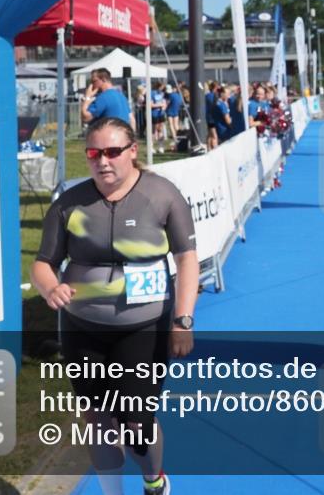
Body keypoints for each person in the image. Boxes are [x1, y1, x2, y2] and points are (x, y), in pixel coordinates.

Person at [31, 117, 200, 495]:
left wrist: (183, 320)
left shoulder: (162, 195)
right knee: (98, 420)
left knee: (137, 425)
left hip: (144, 327)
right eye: (93, 153)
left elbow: (187, 258)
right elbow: (42, 263)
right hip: (82, 328)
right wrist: (50, 288)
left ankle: (154, 480)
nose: (102, 162)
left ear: (132, 151)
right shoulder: (69, 203)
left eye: (112, 152)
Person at [149, 82, 167, 154]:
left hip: (161, 114)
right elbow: (150, 105)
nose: (162, 89)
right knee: (154, 131)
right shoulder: (152, 93)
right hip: (154, 114)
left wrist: (164, 106)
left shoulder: (161, 94)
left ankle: (161, 147)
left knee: (160, 130)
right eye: (161, 87)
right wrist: (160, 105)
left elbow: (164, 102)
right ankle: (151, 147)